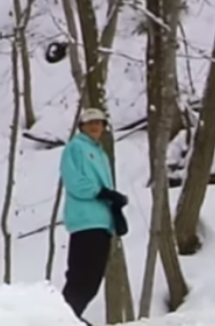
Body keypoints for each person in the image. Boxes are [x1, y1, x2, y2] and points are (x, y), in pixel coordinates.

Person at [60, 107, 128, 323]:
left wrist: (114, 209)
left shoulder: (101, 153)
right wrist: (102, 192)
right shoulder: (75, 148)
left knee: (92, 281)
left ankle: (68, 317)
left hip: (101, 223)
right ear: (82, 126)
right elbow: (74, 182)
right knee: (81, 278)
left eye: (98, 123)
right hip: (85, 221)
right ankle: (61, 318)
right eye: (90, 123)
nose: (95, 127)